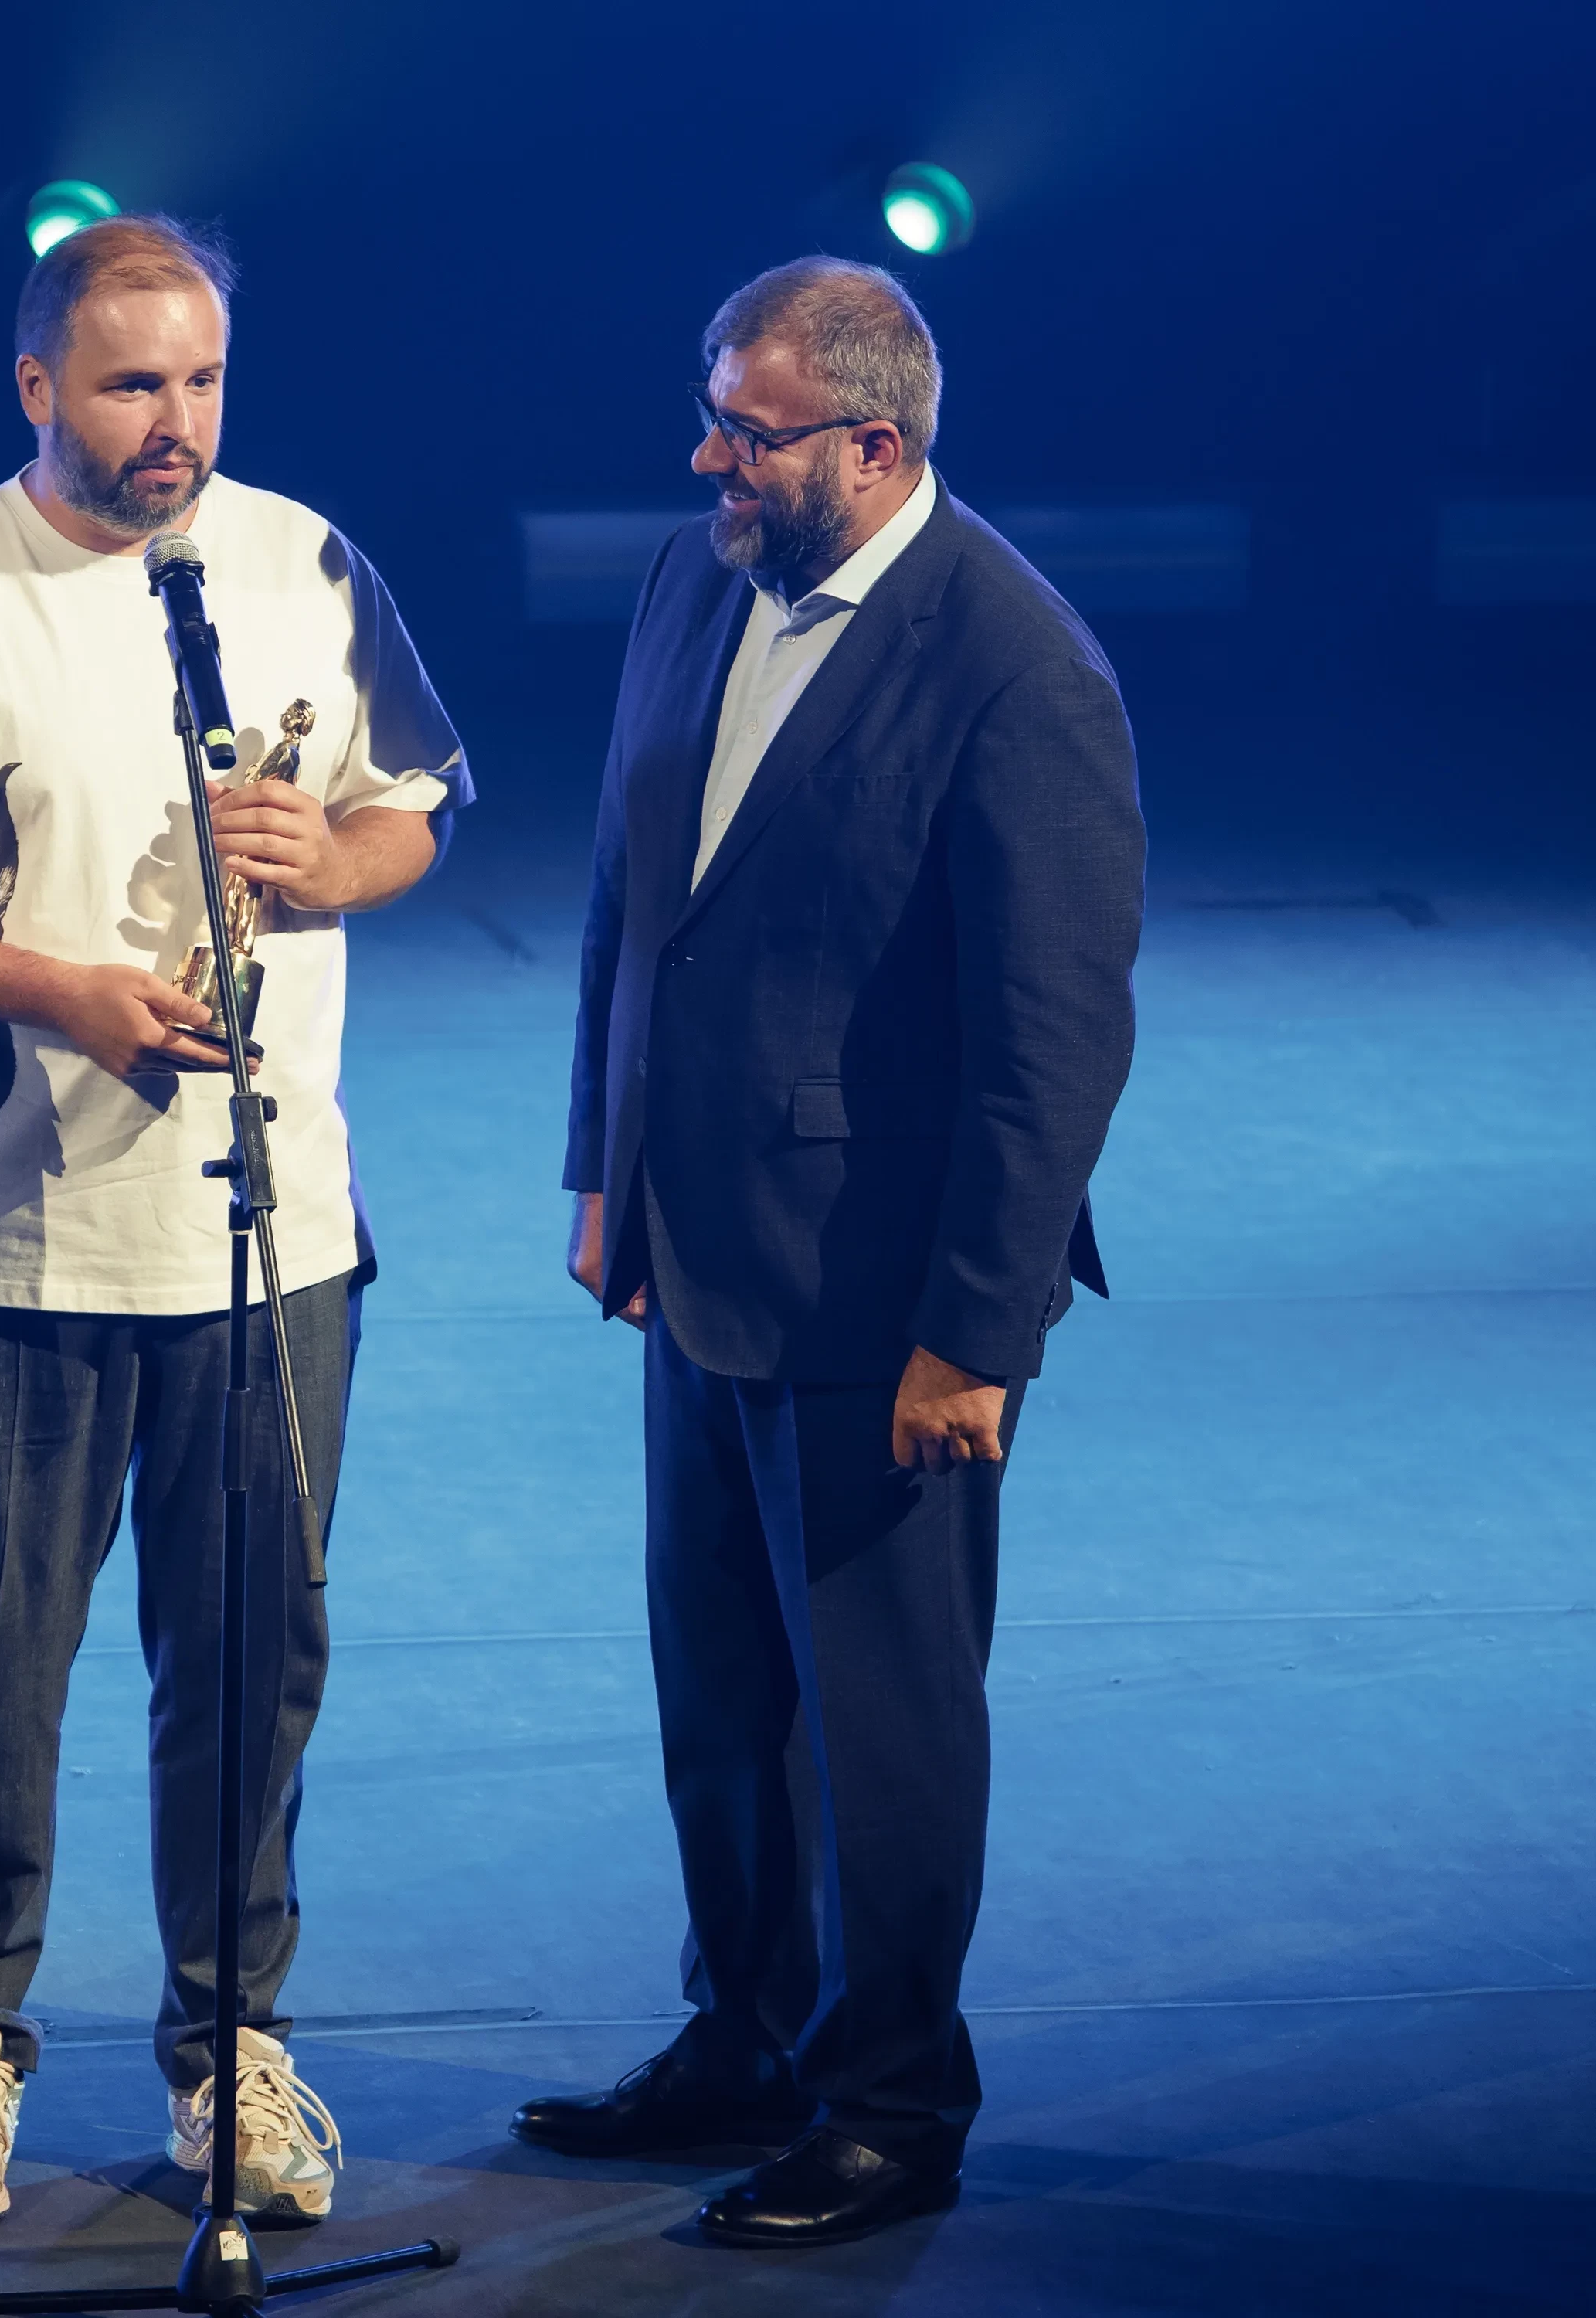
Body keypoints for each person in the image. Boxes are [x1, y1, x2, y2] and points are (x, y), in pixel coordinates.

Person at [0, 215, 470, 2234]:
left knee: (250, 1659)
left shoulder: (305, 563)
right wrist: (60, 995)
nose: (176, 422)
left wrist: (331, 860)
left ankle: (230, 2040)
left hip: (266, 1228)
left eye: (203, 382)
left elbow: (414, 807)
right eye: (132, 383)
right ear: (36, 388)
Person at [520, 259, 1144, 2246]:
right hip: (693, 1250)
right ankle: (746, 2037)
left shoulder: (1017, 667)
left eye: (750, 431)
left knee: (881, 1719)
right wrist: (606, 1169)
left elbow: (1054, 1042)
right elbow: (633, 896)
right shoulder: (695, 579)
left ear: (873, 446)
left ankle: (892, 2103)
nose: (709, 459)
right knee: (722, 1698)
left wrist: (979, 1334)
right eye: (713, 415)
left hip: (885, 1298)